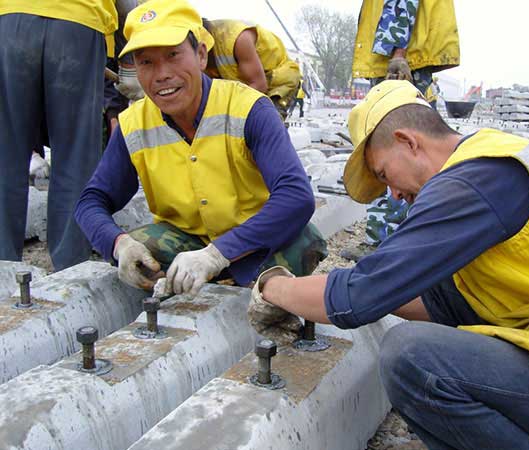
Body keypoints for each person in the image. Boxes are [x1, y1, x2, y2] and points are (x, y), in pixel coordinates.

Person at [249, 80, 529, 449]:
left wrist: (273, 288)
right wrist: (345, 289)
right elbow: (443, 303)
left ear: (408, 141)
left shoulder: (474, 182)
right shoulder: (489, 163)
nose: (394, 195)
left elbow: (361, 295)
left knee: (412, 358)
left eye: (384, 175)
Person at [75, 0, 327, 296]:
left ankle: (239, 280)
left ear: (201, 55)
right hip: (187, 241)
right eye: (146, 62)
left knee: (276, 279)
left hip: (259, 238)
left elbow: (296, 197)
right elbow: (90, 201)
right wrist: (119, 244)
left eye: (173, 55)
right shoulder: (134, 124)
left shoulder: (249, 109)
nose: (162, 74)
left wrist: (216, 255)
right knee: (141, 259)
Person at [0, 0, 134, 270]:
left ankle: (2, 263)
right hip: (79, 21)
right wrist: (130, 63)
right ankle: (71, 265)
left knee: (6, 150)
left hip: (11, 19)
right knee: (75, 155)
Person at [345, 0, 460, 260]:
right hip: (404, 57)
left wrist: (398, 54)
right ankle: (394, 242)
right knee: (394, 161)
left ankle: (393, 245)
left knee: (391, 157)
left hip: (399, 59)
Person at [203, 19, 301, 120]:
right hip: (250, 84)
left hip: (279, 81)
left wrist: (227, 112)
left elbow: (259, 85)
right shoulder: (203, 56)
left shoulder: (238, 39)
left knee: (267, 121)